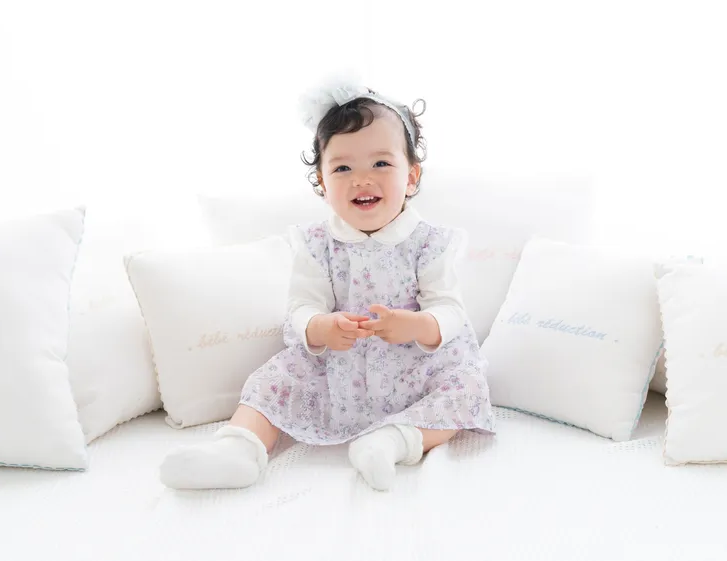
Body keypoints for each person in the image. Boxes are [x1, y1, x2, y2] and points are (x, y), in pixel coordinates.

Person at [160, 83, 495, 492]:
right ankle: (239, 449)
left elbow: (450, 310)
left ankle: (393, 441)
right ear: (321, 182)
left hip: (415, 369)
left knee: (468, 387)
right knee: (272, 379)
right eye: (342, 169)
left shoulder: (430, 243)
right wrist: (320, 327)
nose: (361, 180)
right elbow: (301, 307)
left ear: (411, 176)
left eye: (381, 163)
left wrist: (418, 325)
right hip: (340, 370)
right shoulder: (317, 244)